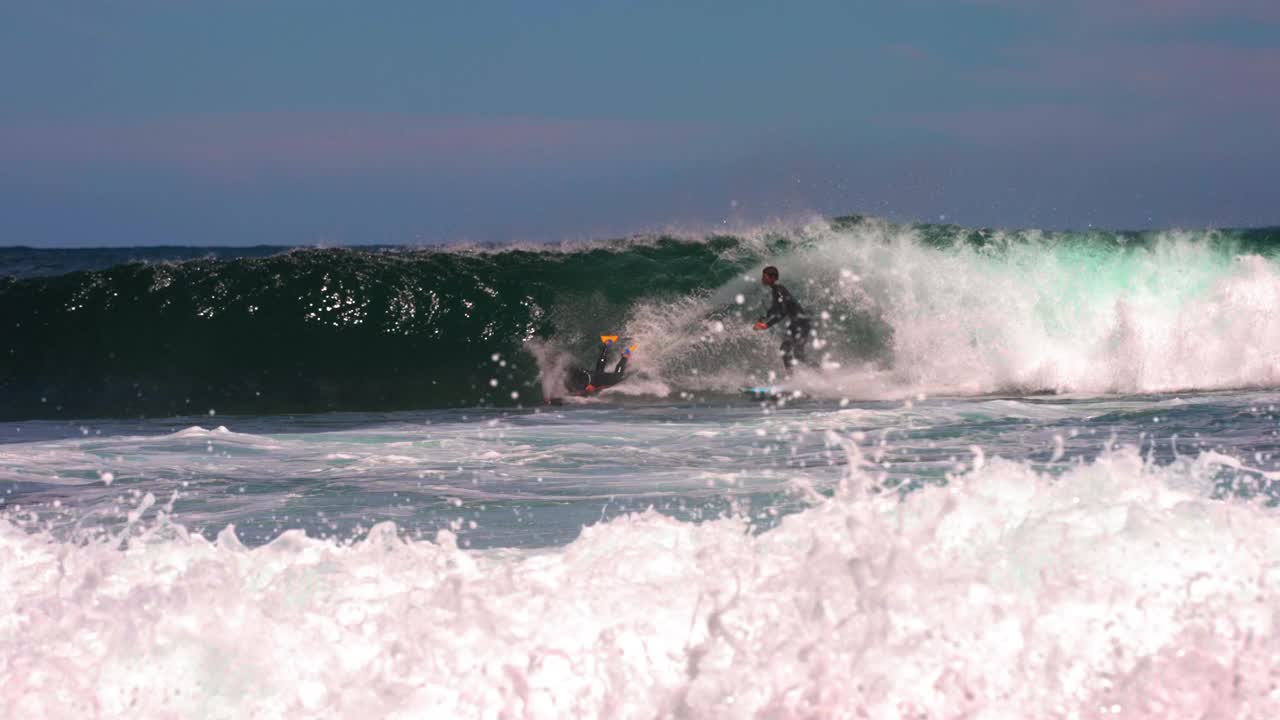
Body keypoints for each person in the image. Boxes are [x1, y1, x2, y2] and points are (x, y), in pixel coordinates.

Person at [752, 266, 811, 372]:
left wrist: (767, 325)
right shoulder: (777, 290)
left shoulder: (779, 290)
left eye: (764, 277)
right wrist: (764, 317)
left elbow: (783, 312)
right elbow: (775, 308)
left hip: (801, 324)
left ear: (773, 277)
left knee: (786, 350)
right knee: (798, 355)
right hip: (799, 323)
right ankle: (822, 374)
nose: (762, 279)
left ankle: (791, 378)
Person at [563, 336, 633, 395]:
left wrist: (589, 386)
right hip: (590, 376)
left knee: (618, 376)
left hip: (593, 380)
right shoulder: (571, 379)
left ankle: (625, 356)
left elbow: (587, 389)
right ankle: (607, 345)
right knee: (599, 371)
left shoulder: (571, 381)